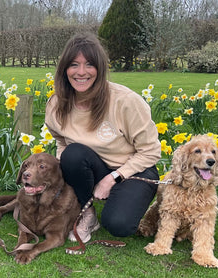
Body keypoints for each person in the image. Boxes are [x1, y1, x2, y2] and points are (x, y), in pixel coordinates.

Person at [44, 33, 161, 243]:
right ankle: (87, 213)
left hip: (134, 169)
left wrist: (113, 178)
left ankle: (123, 201)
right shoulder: (56, 104)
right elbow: (61, 140)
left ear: (100, 69)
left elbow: (151, 151)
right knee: (72, 155)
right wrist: (64, 174)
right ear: (64, 69)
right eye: (74, 65)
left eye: (89, 64)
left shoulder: (125, 102)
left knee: (119, 225)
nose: (81, 72)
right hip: (91, 165)